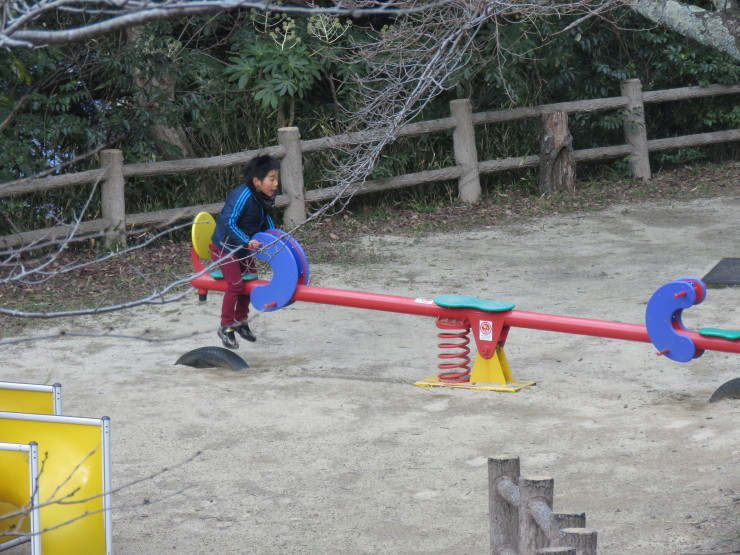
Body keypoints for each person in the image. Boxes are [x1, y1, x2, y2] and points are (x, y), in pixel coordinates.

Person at [209, 154, 280, 349]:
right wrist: (247, 241)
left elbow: (265, 221)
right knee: (235, 284)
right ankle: (225, 326)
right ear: (257, 181)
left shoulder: (263, 197)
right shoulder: (242, 196)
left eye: (277, 179)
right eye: (272, 179)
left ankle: (240, 322)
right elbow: (227, 222)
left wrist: (275, 237)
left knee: (250, 280)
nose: (276, 184)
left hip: (244, 247)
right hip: (225, 246)